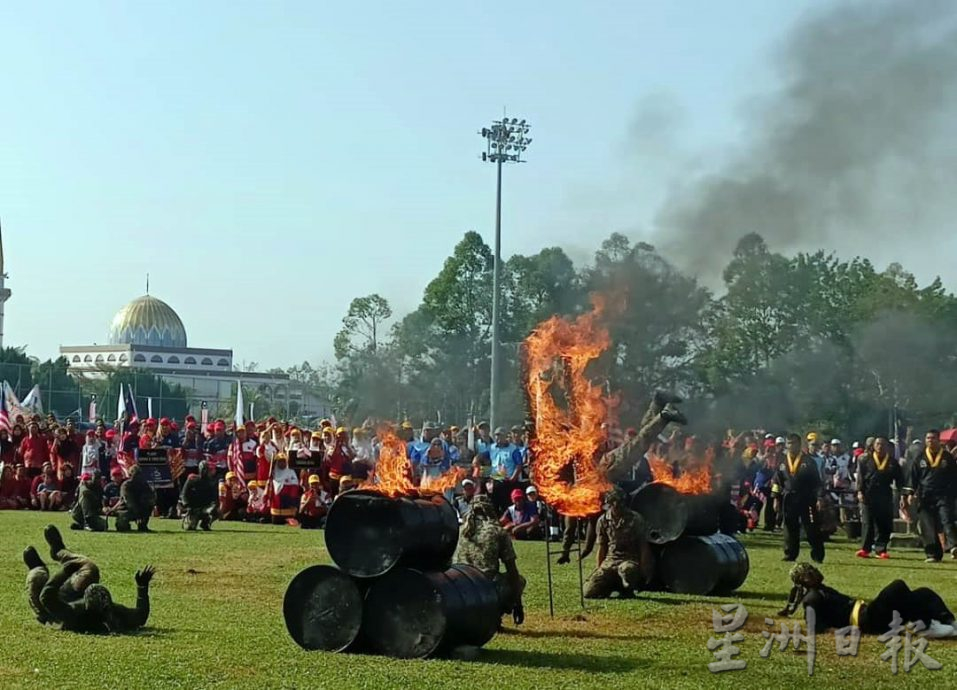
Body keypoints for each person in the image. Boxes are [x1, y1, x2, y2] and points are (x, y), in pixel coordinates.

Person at [23, 524, 154, 633]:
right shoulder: (114, 611)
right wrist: (142, 587)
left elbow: (46, 597)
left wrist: (65, 571)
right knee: (90, 568)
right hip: (69, 597)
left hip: (51, 609)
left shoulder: (74, 614)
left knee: (37, 577)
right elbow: (140, 616)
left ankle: (36, 567)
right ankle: (59, 552)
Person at [779, 563, 957, 638]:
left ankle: (949, 621)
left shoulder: (820, 590)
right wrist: (848, 631)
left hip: (869, 613)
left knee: (923, 593)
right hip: (866, 621)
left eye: (812, 569)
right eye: (808, 573)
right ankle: (925, 625)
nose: (814, 572)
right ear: (803, 581)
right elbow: (815, 628)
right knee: (897, 586)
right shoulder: (812, 599)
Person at [453, 495, 525, 625]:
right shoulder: (497, 532)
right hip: (485, 588)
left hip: (460, 588)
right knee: (519, 580)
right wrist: (518, 604)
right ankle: (493, 617)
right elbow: (512, 570)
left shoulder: (460, 530)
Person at [583, 487, 654, 599]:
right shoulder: (603, 520)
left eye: (619, 502)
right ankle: (609, 586)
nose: (616, 506)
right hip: (610, 561)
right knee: (589, 592)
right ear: (609, 504)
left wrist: (645, 570)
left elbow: (643, 546)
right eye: (613, 503)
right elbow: (602, 547)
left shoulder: (635, 519)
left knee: (627, 571)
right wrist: (599, 569)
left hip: (629, 560)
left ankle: (626, 589)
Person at [903, 429, 957, 563]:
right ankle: (933, 554)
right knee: (928, 525)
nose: (930, 441)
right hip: (925, 495)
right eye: (927, 438)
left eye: (933, 438)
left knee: (947, 519)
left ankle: (954, 545)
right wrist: (910, 493)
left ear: (939, 440)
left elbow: (954, 477)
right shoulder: (920, 457)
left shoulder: (947, 457)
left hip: (944, 495)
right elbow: (913, 476)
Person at [775, 433, 825, 563]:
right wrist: (775, 498)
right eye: (789, 443)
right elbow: (776, 482)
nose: (791, 446)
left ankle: (817, 555)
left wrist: (819, 497)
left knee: (811, 527)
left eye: (794, 443)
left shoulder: (809, 461)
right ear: (786, 445)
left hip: (806, 499)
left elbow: (817, 482)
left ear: (799, 444)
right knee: (789, 527)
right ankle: (790, 554)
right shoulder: (782, 461)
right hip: (788, 498)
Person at [855, 436, 903, 559]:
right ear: (874, 446)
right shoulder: (865, 460)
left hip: (885, 495)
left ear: (887, 447)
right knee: (867, 522)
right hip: (868, 495)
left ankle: (880, 549)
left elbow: (900, 480)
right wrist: (860, 492)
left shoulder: (892, 462)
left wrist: (903, 495)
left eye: (883, 444)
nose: (880, 446)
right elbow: (860, 477)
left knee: (884, 523)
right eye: (878, 444)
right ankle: (865, 549)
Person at [113, 464, 157, 532]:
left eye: (139, 474)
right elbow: (128, 501)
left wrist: (149, 503)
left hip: (140, 509)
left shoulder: (144, 485)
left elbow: (151, 498)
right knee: (122, 527)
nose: (137, 477)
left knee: (148, 506)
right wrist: (138, 512)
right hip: (125, 509)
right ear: (130, 475)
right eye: (135, 474)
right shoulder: (126, 485)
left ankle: (142, 525)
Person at [180, 461, 219, 531]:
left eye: (206, 469)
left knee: (215, 512)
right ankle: (191, 520)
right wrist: (186, 505)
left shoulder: (210, 482)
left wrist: (213, 505)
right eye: (204, 469)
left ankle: (205, 523)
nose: (205, 471)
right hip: (192, 507)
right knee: (191, 528)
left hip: (204, 507)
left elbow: (213, 496)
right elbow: (183, 494)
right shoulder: (192, 479)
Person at [269, 454, 302, 524]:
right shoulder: (273, 472)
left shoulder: (290, 472)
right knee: (275, 522)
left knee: (289, 520)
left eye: (283, 461)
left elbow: (295, 485)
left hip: (288, 503)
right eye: (280, 461)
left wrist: (292, 500)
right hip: (276, 506)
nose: (282, 463)